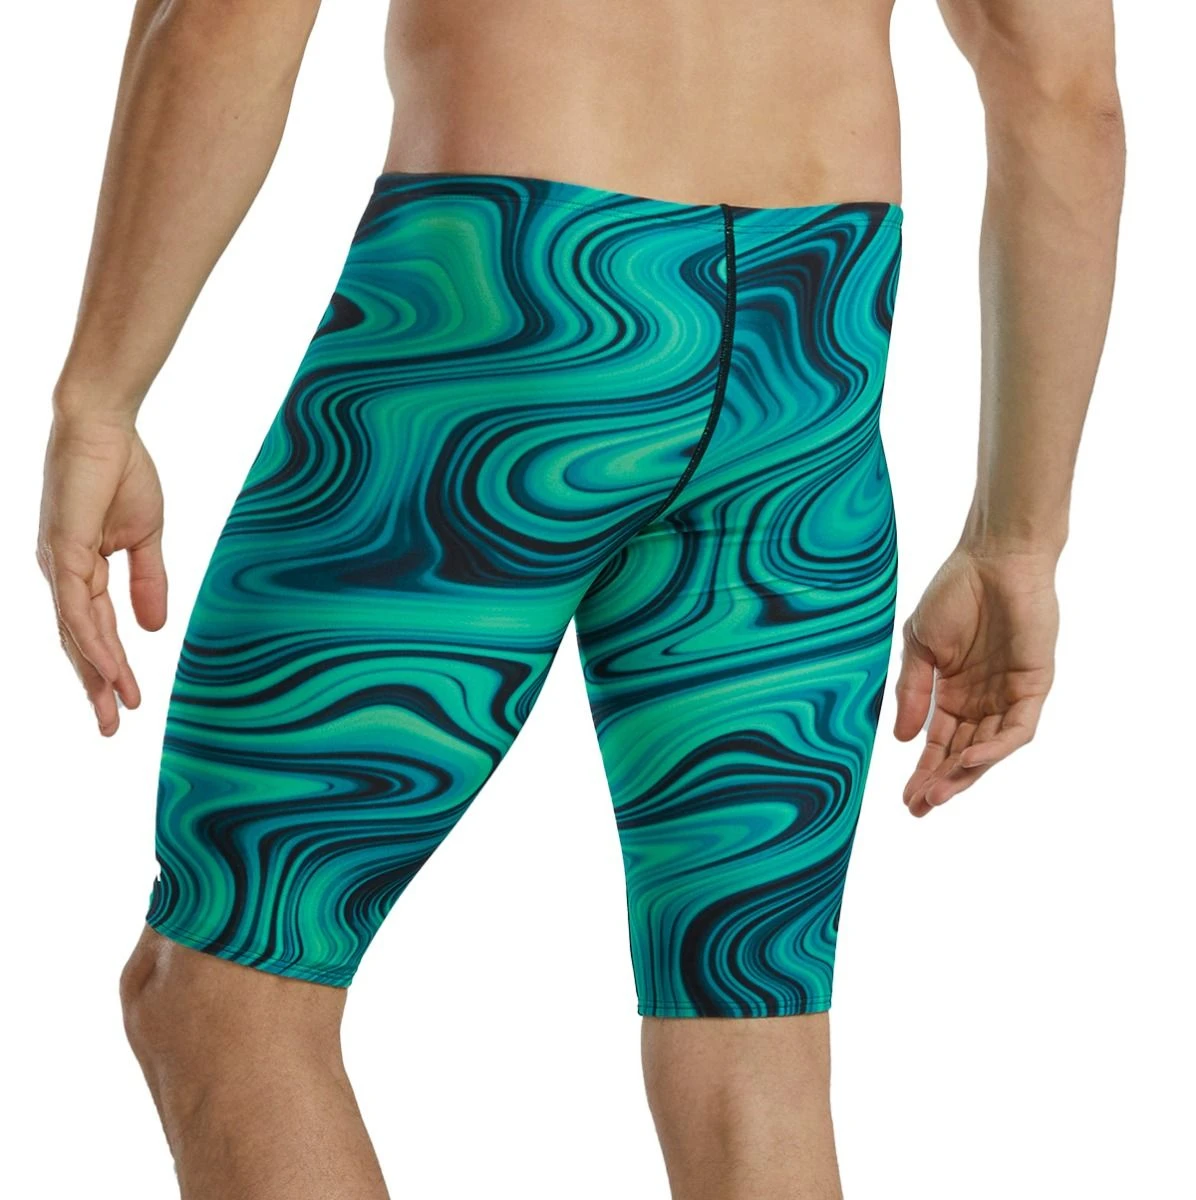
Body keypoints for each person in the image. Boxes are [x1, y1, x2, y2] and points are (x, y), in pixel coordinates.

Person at [35, 0, 1124, 1196]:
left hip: (506, 317)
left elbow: (222, 20)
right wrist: (1017, 540)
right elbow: (1060, 93)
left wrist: (99, 398)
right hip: (808, 353)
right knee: (746, 1039)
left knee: (225, 990)